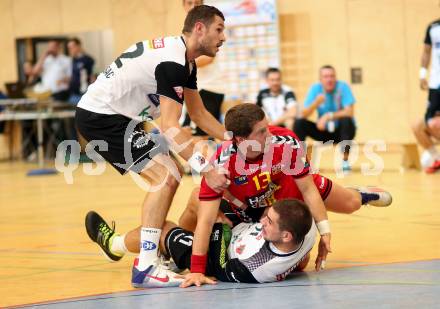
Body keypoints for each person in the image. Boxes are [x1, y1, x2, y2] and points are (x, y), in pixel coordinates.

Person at [76, 5, 228, 288]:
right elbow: (169, 126)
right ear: (199, 28)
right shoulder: (173, 62)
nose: (223, 37)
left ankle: (129, 250)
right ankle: (146, 266)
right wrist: (207, 170)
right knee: (166, 176)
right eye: (219, 29)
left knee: (173, 173)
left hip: (118, 118)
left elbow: (199, 115)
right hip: (102, 117)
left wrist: (235, 139)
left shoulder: (185, 61)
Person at [181, 103, 391, 288]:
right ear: (241, 139)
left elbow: (308, 189)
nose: (270, 134)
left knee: (351, 203)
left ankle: (362, 194)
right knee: (300, 265)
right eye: (262, 132)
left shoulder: (284, 140)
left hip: (294, 191)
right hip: (256, 209)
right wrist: (197, 269)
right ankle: (177, 248)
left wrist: (325, 232)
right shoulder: (221, 163)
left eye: (268, 126)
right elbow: (206, 220)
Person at [89, 198, 316, 286]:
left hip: (220, 256)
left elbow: (220, 269)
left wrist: (218, 228)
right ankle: (175, 253)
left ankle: (114, 245)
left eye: (269, 222)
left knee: (161, 227)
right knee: (201, 196)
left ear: (286, 236)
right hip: (240, 233)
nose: (263, 221)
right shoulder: (308, 229)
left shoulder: (258, 266)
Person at [294, 65, 356, 172]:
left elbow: (349, 111)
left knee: (347, 120)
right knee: (299, 123)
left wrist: (328, 116)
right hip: (323, 131)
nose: (329, 79)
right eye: (326, 77)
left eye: (332, 76)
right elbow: (303, 114)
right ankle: (300, 161)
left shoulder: (343, 87)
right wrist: (316, 103)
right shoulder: (315, 89)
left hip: (341, 132)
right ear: (320, 79)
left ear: (335, 78)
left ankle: (345, 161)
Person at [180, 0, 225, 140]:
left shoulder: (210, 26)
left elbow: (208, 58)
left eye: (197, 2)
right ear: (184, 6)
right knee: (196, 134)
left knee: (199, 136)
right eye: (190, 3)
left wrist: (181, 64)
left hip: (209, 88)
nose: (193, 6)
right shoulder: (187, 32)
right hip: (196, 89)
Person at [412, 19, 440, 174]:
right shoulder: (433, 27)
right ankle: (436, 157)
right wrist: (422, 74)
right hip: (436, 84)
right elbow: (427, 51)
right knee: (423, 125)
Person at [67, 37, 95, 105]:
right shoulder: (73, 60)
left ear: (78, 46)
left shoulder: (88, 60)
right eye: (69, 48)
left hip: (84, 94)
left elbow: (93, 76)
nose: (70, 50)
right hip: (73, 94)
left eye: (72, 47)